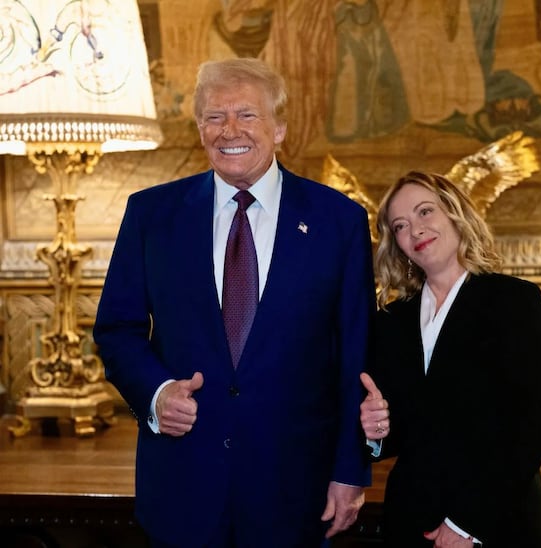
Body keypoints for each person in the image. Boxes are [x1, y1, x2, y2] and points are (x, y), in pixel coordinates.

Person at [94, 57, 375, 547]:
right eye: (214, 117)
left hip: (295, 489)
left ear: (280, 127)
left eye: (247, 115)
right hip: (183, 485)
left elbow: (356, 352)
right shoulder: (151, 213)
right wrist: (157, 393)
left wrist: (351, 469)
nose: (229, 130)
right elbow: (117, 328)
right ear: (199, 128)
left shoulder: (339, 220)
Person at [359, 171, 541, 547]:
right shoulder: (392, 320)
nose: (415, 230)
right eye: (400, 225)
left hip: (499, 523)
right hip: (412, 520)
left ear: (455, 213)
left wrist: (466, 524)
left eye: (425, 212)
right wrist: (375, 430)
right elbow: (399, 434)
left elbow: (529, 430)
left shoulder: (514, 301)